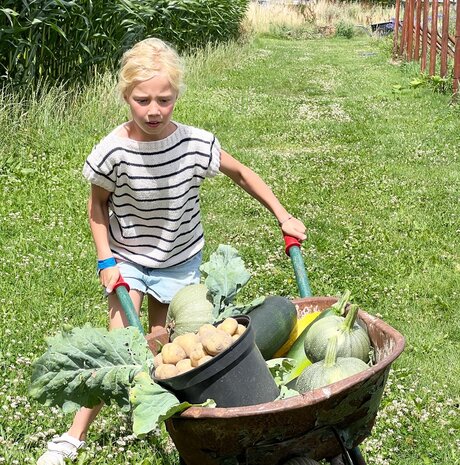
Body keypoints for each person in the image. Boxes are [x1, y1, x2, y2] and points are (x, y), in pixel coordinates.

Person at [37, 37, 306, 465]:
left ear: (177, 95)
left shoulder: (194, 144)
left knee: (165, 349)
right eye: (142, 100)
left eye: (164, 99)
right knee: (120, 345)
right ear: (126, 96)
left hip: (179, 262)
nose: (154, 110)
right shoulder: (112, 150)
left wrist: (283, 215)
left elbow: (241, 173)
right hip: (129, 259)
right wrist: (106, 260)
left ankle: (175, 427)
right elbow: (97, 208)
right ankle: (74, 435)